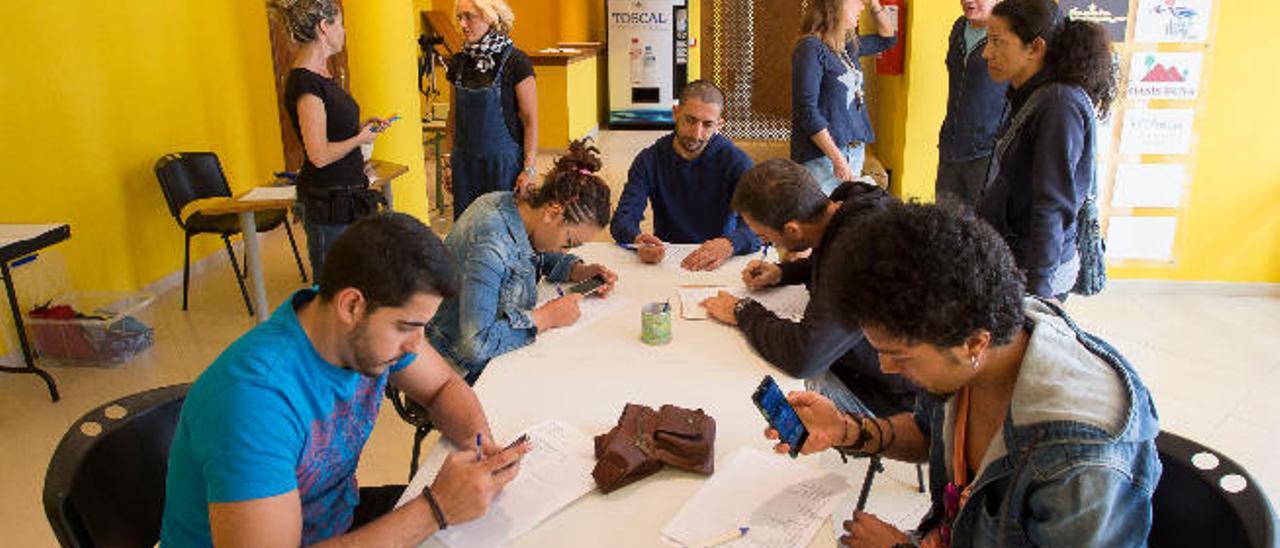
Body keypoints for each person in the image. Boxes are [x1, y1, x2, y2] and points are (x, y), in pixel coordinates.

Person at [764, 202, 1160, 547]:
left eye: (898, 356)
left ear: (973, 344)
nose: (886, 368)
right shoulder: (975, 340)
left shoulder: (1080, 460)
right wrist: (844, 430)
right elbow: (928, 433)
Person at [161, 213, 533, 546]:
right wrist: (436, 508)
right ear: (352, 306)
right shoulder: (254, 403)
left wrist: (482, 446)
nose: (417, 345)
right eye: (407, 326)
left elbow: (443, 387)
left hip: (336, 521)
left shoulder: (356, 327)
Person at [699, 159, 914, 417]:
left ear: (792, 229)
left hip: (886, 393)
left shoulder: (857, 254)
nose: (764, 243)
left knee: (759, 395)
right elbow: (828, 260)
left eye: (765, 237)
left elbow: (804, 357)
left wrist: (742, 310)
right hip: (861, 360)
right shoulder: (846, 206)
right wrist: (784, 272)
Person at [428, 139, 617, 379]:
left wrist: (579, 270)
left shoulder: (514, 207)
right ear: (553, 212)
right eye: (569, 242)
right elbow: (475, 345)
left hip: (492, 348)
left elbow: (534, 254)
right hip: (458, 368)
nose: (565, 251)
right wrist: (546, 317)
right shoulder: (491, 244)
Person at [977, 0, 1116, 299]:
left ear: (1035, 47)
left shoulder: (1058, 106)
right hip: (1012, 260)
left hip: (1034, 273)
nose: (987, 52)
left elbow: (1052, 206)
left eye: (998, 42)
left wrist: (1038, 298)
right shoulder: (1031, 95)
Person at [276, 0, 391, 272]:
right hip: (328, 202)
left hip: (348, 192)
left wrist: (360, 127)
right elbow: (319, 155)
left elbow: (329, 129)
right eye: (339, 24)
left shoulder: (323, 75)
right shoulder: (305, 82)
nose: (344, 30)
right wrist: (359, 139)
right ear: (324, 27)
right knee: (334, 287)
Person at [609, 80, 761, 271]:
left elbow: (759, 226)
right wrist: (637, 240)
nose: (696, 134)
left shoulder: (737, 163)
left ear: (719, 125)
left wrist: (729, 244)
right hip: (667, 260)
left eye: (707, 125)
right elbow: (623, 219)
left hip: (720, 261)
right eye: (690, 120)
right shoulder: (649, 159)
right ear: (675, 113)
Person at [792, 0, 897, 195]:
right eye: (858, 1)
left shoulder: (846, 46)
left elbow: (888, 39)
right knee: (820, 218)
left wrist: (875, 5)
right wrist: (837, 158)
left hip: (853, 151)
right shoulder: (810, 48)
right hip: (823, 157)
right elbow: (807, 110)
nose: (862, 7)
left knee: (843, 220)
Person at [445, 0, 538, 220]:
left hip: (503, 168)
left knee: (502, 231)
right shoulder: (458, 63)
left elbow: (530, 120)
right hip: (465, 166)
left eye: (469, 17)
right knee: (467, 231)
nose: (463, 24)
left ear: (491, 17)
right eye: (459, 18)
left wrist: (529, 169)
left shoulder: (516, 62)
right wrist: (448, 163)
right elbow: (453, 118)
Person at [935, 0, 1008, 209]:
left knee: (983, 229)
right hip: (951, 146)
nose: (968, 1)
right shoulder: (959, 27)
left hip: (986, 152)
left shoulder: (1008, 35)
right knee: (944, 224)